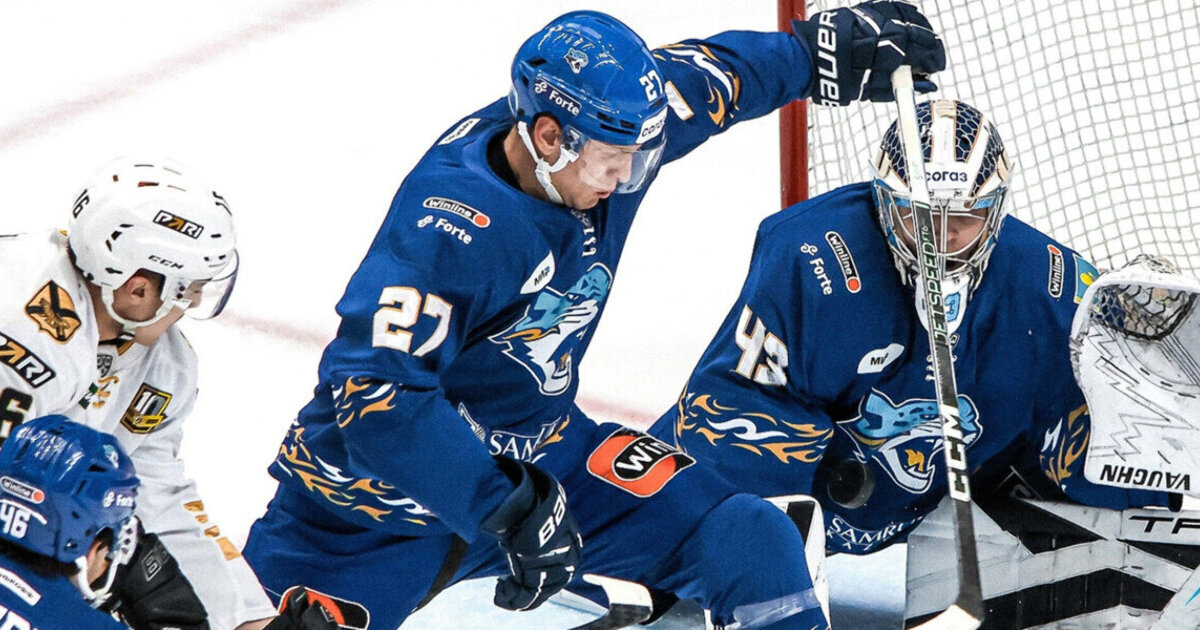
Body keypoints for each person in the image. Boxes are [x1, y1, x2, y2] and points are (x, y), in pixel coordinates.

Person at [241, 5, 946, 629]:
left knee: (747, 538)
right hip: (368, 513)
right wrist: (504, 506)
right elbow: (375, 398)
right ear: (548, 137)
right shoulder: (447, 229)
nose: (625, 180)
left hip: (543, 461)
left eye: (640, 159)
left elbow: (713, 80)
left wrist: (813, 54)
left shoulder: (606, 130)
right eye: (613, 161)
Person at [649, 99, 1169, 561]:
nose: (940, 241)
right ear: (882, 199)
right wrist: (762, 558)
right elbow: (738, 413)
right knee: (663, 535)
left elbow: (1116, 434)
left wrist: (1146, 352)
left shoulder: (1047, 285)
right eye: (919, 217)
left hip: (937, 504)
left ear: (995, 212)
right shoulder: (813, 259)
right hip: (778, 487)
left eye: (963, 219)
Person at [0, 157, 323, 630]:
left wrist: (251, 622)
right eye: (188, 288)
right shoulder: (20, 325)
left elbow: (158, 496)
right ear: (136, 289)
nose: (194, 301)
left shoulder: (163, 366)